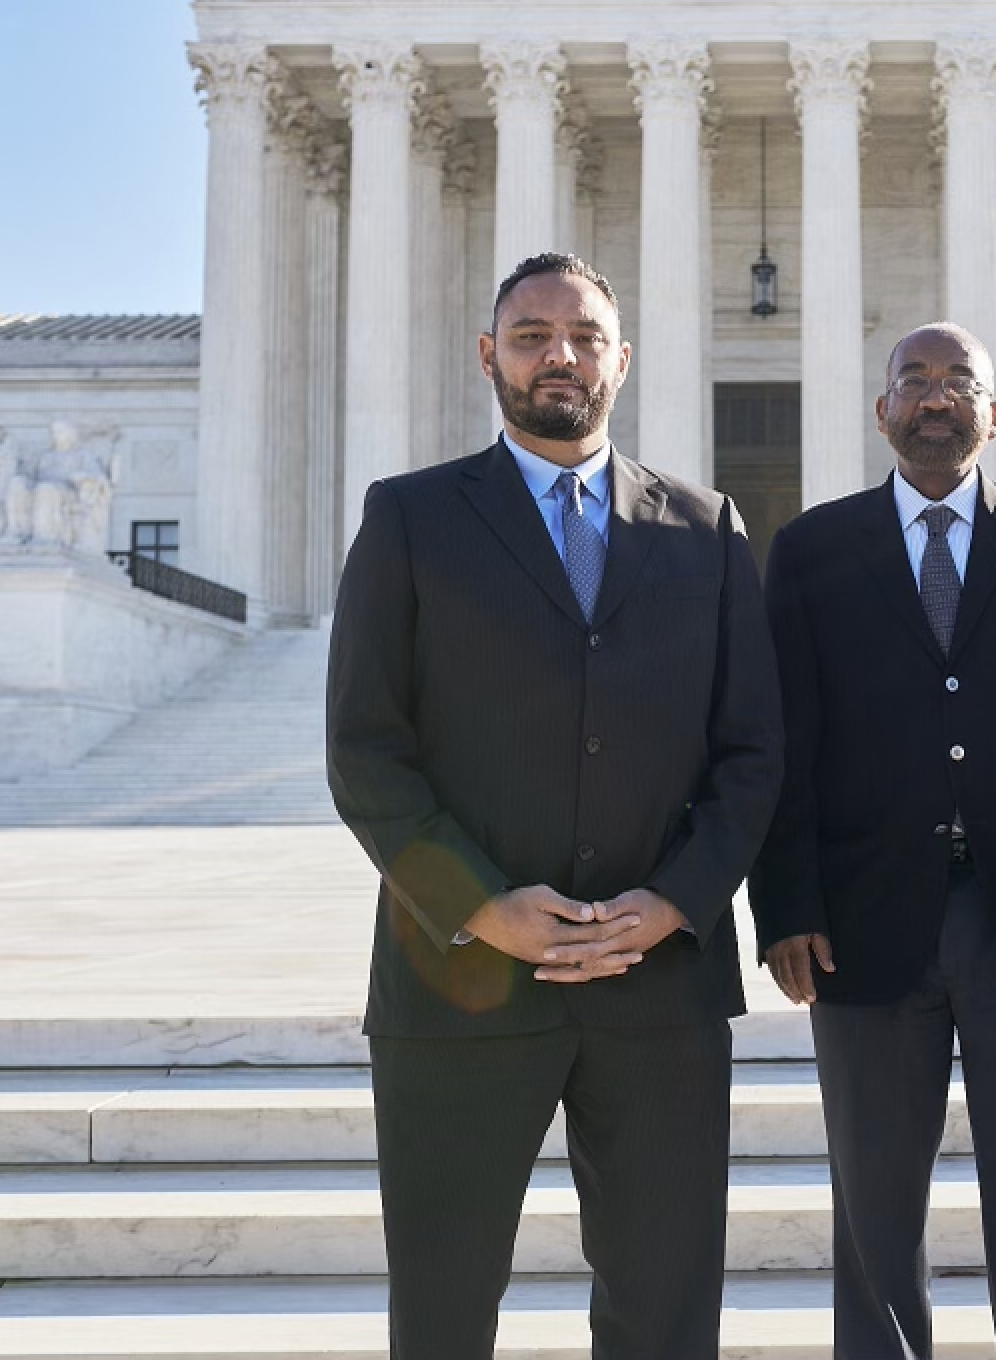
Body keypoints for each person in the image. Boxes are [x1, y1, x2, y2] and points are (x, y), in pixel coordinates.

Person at [326, 252, 784, 1360]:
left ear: (621, 359)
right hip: (461, 978)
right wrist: (483, 905)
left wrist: (675, 901)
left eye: (582, 335)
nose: (559, 355)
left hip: (659, 982)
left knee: (666, 1309)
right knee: (443, 1304)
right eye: (531, 335)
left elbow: (753, 750)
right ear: (491, 356)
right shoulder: (410, 518)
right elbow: (364, 754)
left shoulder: (705, 528)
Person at [749, 322, 996, 1360]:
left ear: (995, 415)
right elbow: (786, 743)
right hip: (862, 927)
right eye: (915, 380)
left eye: (961, 382)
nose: (937, 396)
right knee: (873, 1214)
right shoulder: (813, 549)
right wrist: (785, 908)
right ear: (883, 411)